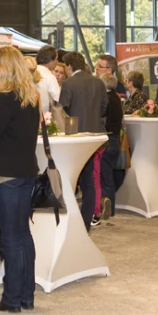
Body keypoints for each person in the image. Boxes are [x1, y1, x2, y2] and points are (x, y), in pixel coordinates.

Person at [0, 46, 40, 313]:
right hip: (26, 171)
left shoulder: (4, 98)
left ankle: (12, 299)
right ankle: (26, 295)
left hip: (5, 175)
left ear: (5, 67)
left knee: (11, 239)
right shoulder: (31, 96)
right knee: (23, 235)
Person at [60, 51, 108, 231]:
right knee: (90, 181)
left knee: (71, 178)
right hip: (95, 137)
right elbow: (104, 108)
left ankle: (69, 220)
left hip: (74, 138)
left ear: (69, 66)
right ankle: (86, 221)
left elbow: (62, 110)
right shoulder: (98, 82)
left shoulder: (68, 84)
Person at [99, 73, 124, 219]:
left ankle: (108, 205)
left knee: (105, 177)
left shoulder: (106, 99)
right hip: (115, 139)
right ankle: (110, 205)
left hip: (106, 139)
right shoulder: (117, 98)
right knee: (109, 175)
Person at [35, 46, 61, 114]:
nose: (57, 62)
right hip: (45, 117)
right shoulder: (50, 77)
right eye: (56, 59)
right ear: (50, 60)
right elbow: (57, 101)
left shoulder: (28, 73)